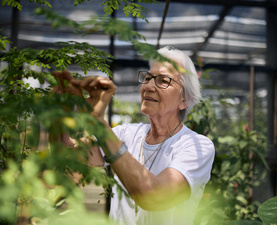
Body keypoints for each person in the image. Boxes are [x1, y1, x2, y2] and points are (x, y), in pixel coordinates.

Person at [52, 46, 215, 225]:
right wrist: (60, 112)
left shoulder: (196, 146)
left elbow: (154, 197)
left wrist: (98, 123)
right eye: (147, 77)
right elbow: (68, 154)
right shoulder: (127, 133)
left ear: (184, 99)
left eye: (163, 81)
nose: (149, 86)